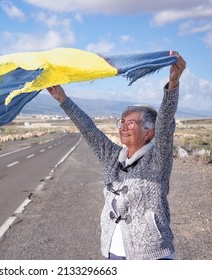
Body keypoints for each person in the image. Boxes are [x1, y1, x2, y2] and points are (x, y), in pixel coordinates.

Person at [47, 52, 186, 260]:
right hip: (112, 253)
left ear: (149, 131)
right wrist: (62, 99)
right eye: (122, 122)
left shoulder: (158, 158)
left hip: (150, 255)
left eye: (131, 123)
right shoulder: (113, 157)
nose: (123, 126)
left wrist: (173, 83)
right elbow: (89, 130)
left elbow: (165, 124)